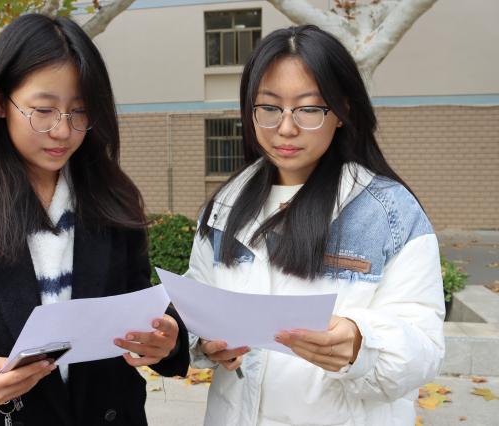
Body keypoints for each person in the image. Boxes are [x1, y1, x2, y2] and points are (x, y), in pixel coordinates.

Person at [0, 14, 189, 426]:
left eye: (80, 112)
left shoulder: (112, 198)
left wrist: (167, 339)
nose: (63, 131)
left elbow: (137, 302)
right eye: (43, 110)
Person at [185, 25, 445, 426]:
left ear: (342, 111)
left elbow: (425, 350)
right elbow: (197, 307)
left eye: (308, 109)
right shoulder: (224, 207)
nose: (286, 128)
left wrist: (361, 343)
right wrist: (205, 342)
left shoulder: (389, 213)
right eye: (269, 108)